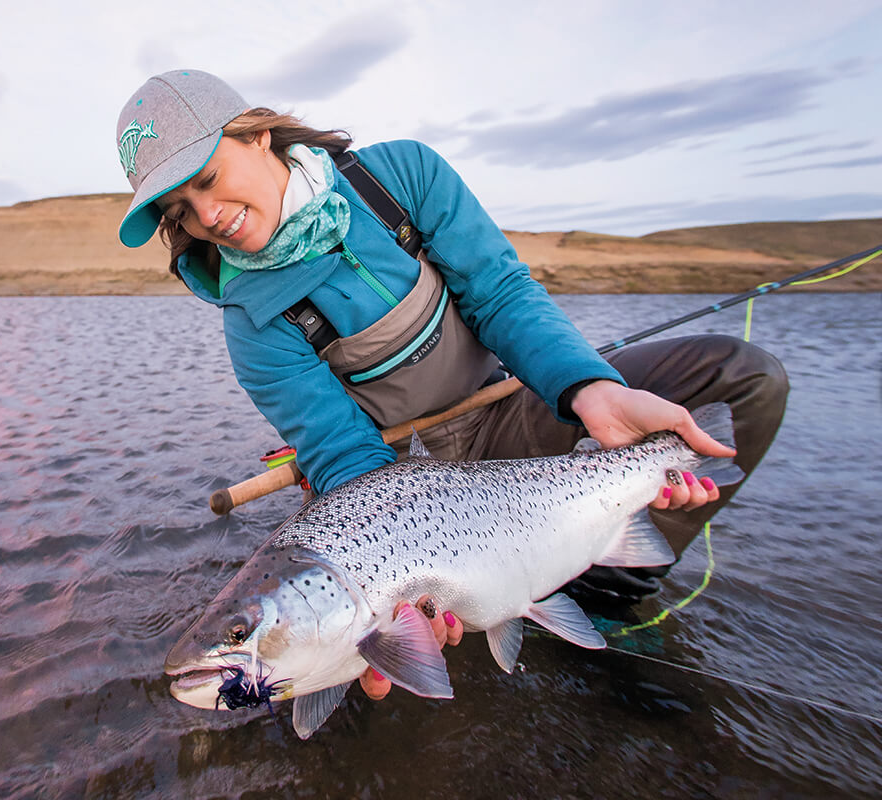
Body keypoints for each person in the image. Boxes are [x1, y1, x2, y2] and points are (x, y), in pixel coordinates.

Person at [115, 70, 788, 701]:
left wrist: (593, 391)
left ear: (257, 133)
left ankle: (607, 589)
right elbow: (346, 456)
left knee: (739, 381)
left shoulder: (399, 177)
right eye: (182, 205)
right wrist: (400, 596)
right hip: (399, 476)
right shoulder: (252, 322)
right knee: (356, 660)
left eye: (208, 177)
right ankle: (497, 594)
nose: (207, 214)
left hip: (511, 417)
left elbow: (501, 296)